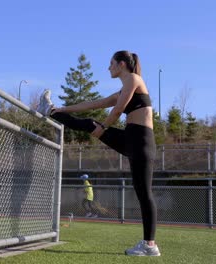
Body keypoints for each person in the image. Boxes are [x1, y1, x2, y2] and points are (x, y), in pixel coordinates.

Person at [37, 50, 160, 257]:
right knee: (88, 124)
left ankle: (150, 245)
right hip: (131, 139)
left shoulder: (133, 78)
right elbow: (91, 104)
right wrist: (64, 108)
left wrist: (103, 126)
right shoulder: (123, 88)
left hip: (141, 142)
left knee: (144, 193)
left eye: (111, 63)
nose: (108, 67)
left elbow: (118, 110)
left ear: (121, 64)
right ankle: (51, 110)